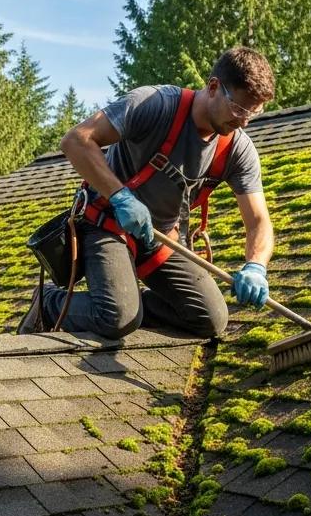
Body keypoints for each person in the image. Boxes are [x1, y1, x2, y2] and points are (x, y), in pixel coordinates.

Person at [17, 47, 275, 339]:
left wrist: (255, 265)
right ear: (214, 87)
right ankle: (48, 303)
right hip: (106, 224)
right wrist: (120, 196)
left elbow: (258, 222)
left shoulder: (237, 149)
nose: (243, 122)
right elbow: (76, 140)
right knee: (116, 318)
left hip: (158, 238)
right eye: (239, 109)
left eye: (253, 113)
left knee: (210, 319)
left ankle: (131, 306)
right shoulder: (156, 105)